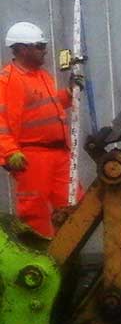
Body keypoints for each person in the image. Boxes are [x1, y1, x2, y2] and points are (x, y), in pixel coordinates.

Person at [0, 22, 82, 238]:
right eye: (39, 46)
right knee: (34, 213)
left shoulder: (42, 76)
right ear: (22, 48)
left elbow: (48, 106)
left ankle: (66, 257)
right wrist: (9, 152)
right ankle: (41, 261)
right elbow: (1, 122)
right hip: (32, 157)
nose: (45, 50)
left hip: (59, 154)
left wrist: (69, 93)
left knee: (76, 206)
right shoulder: (9, 80)